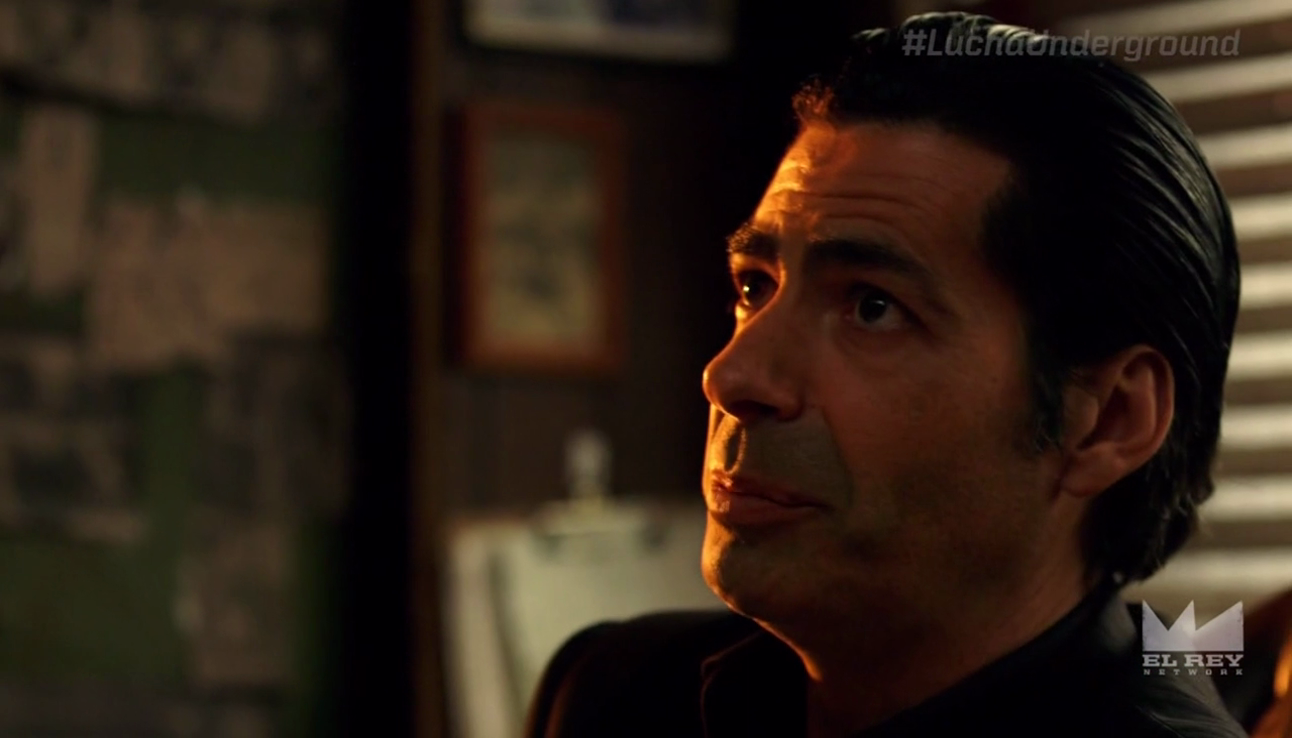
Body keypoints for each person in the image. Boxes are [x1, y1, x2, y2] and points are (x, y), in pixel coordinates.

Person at [523, 12, 1247, 738]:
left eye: (872, 308)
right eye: (754, 287)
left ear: (1110, 419)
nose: (731, 374)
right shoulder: (620, 692)